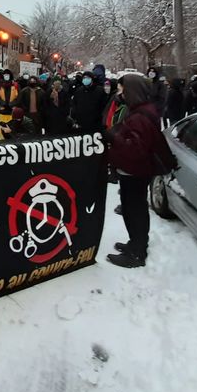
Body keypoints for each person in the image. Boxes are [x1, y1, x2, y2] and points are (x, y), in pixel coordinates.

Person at [103, 74, 176, 268]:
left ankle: (137, 253)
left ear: (132, 92)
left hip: (135, 172)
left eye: (123, 90)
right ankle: (135, 243)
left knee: (134, 210)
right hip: (134, 171)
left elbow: (135, 149)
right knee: (133, 209)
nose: (120, 93)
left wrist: (114, 137)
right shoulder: (140, 111)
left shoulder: (140, 117)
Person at [69, 71, 107, 135]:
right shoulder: (79, 91)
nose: (85, 79)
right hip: (81, 123)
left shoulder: (100, 90)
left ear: (92, 79)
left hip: (95, 124)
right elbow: (74, 104)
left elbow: (104, 106)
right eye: (84, 78)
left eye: (87, 78)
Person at [0, 69, 20, 135]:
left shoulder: (15, 85)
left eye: (8, 75)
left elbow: (18, 97)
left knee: (11, 129)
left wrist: (12, 104)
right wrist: (2, 103)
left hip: (12, 111)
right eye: (5, 75)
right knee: (2, 128)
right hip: (2, 111)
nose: (6, 76)